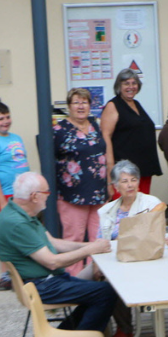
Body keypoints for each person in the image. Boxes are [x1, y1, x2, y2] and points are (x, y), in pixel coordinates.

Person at [0, 172, 117, 337]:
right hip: (41, 285)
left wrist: (92, 247)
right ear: (34, 196)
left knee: (98, 289)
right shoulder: (17, 223)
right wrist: (91, 249)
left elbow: (54, 243)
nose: (49, 195)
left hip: (44, 281)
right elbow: (52, 261)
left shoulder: (20, 213)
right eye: (46, 192)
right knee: (105, 293)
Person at [96, 160, 166, 337]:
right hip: (115, 261)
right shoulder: (106, 211)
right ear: (115, 185)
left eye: (133, 179)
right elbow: (100, 241)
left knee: (115, 282)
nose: (130, 185)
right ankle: (109, 329)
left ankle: (123, 328)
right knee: (98, 284)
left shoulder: (152, 203)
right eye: (125, 181)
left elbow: (160, 236)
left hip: (146, 260)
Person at [53, 88, 108, 276]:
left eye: (84, 102)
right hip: (72, 195)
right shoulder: (59, 130)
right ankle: (75, 280)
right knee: (74, 239)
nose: (80, 106)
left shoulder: (96, 124)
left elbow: (105, 151)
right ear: (69, 106)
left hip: (99, 192)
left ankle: (97, 280)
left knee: (98, 239)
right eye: (76, 102)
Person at [0, 101, 30, 290]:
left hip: (21, 193)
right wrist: (2, 202)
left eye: (7, 117)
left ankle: (22, 272)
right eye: (0, 119)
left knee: (23, 232)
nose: (5, 122)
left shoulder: (16, 138)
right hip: (5, 194)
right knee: (8, 234)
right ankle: (5, 275)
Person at [100, 68, 162, 197]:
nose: (131, 87)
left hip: (143, 170)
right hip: (124, 173)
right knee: (125, 212)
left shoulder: (136, 104)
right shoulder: (113, 105)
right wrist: (110, 173)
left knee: (140, 211)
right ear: (119, 86)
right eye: (126, 83)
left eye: (134, 83)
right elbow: (105, 137)